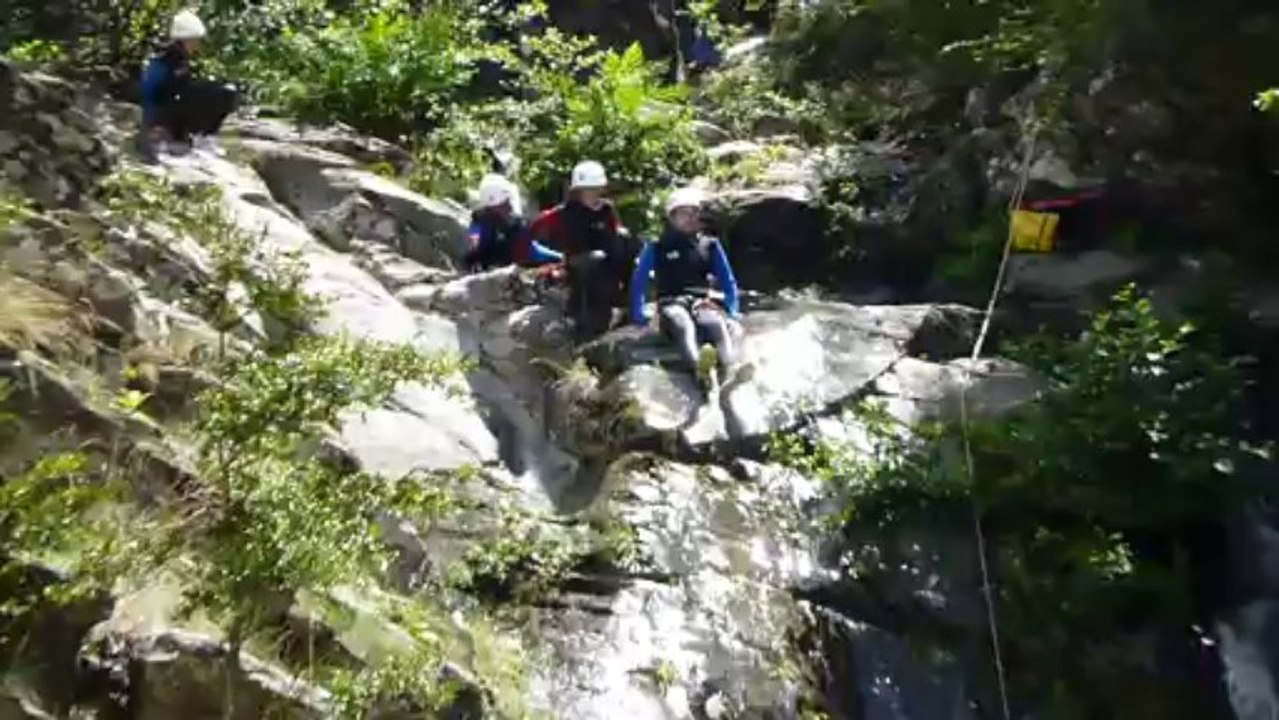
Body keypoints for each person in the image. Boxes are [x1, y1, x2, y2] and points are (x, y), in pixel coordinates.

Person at [630, 186, 744, 390]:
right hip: (671, 302)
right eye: (684, 213)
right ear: (672, 217)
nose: (690, 218)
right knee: (684, 325)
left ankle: (730, 368)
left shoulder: (709, 245)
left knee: (715, 325)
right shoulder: (657, 246)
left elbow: (728, 280)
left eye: (694, 213)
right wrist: (639, 315)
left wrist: (732, 309)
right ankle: (699, 370)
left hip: (702, 301)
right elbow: (639, 281)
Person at [527, 160, 634, 342]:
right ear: (578, 190)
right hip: (578, 260)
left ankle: (626, 301)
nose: (592, 193)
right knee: (595, 260)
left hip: (606, 258)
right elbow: (534, 229)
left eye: (595, 188)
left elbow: (616, 230)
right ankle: (578, 314)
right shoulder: (566, 212)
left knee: (627, 243)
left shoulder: (607, 208)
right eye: (587, 189)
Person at [138, 10, 238, 161]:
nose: (197, 44)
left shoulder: (181, 59)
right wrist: (154, 125)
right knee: (222, 92)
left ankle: (203, 136)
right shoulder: (166, 59)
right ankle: (199, 138)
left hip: (171, 112)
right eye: (195, 40)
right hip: (162, 116)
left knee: (224, 91)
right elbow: (153, 93)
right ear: (186, 39)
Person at [465, 174, 562, 272]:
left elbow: (531, 249)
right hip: (502, 270)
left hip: (522, 261)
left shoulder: (514, 222)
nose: (510, 205)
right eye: (506, 201)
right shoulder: (481, 224)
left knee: (560, 259)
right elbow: (476, 247)